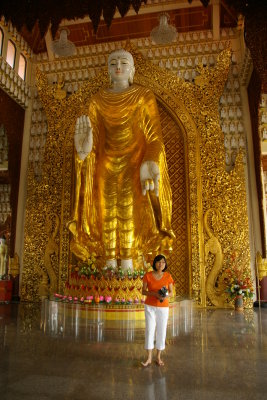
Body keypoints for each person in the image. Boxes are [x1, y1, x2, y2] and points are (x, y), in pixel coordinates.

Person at [68, 49, 174, 271]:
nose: (118, 66)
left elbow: (155, 138)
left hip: (134, 164)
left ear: (132, 70)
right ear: (107, 71)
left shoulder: (143, 96)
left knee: (127, 213)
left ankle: (127, 264)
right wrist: (83, 152)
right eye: (113, 63)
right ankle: (108, 264)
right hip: (105, 166)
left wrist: (150, 162)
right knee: (106, 213)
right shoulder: (97, 101)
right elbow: (93, 140)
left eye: (124, 63)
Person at [141, 254, 174, 366]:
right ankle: (149, 357)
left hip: (163, 307)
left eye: (163, 262)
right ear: (155, 263)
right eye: (159, 262)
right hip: (150, 306)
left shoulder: (168, 276)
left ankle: (158, 357)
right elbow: (143, 291)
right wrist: (154, 294)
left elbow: (171, 292)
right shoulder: (148, 275)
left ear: (165, 264)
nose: (161, 264)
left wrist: (165, 296)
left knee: (161, 330)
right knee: (150, 330)